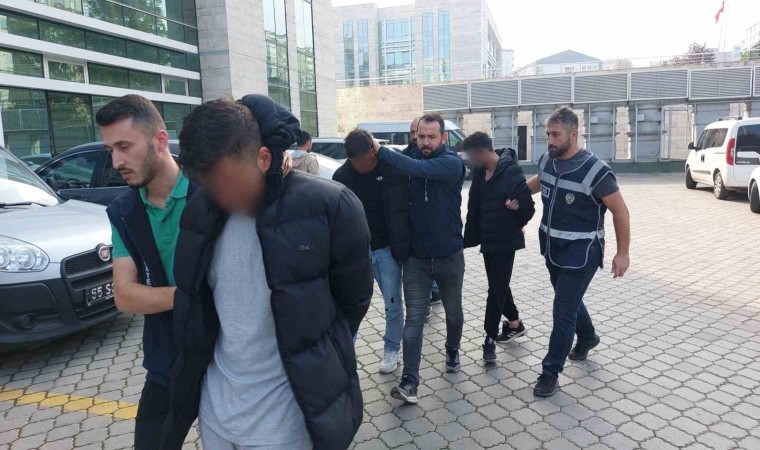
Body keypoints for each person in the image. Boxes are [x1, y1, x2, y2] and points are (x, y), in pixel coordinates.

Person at [160, 96, 373, 450]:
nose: (219, 196)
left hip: (285, 424)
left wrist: (314, 357)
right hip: (217, 415)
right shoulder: (202, 211)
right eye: (208, 184)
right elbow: (195, 305)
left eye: (227, 182)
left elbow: (353, 303)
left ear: (263, 158)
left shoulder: (332, 206)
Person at [98, 95, 193, 450]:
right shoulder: (123, 211)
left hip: (225, 356)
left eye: (124, 146)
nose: (116, 162)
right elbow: (125, 295)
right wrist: (192, 297)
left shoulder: (209, 192)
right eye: (110, 150)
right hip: (167, 357)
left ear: (160, 140)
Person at [521, 106, 630, 398]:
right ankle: (588, 337)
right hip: (552, 249)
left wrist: (623, 253)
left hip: (582, 254)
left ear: (573, 134)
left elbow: (620, 211)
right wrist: (518, 195)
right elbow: (539, 180)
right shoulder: (548, 160)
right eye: (547, 134)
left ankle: (550, 372)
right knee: (568, 301)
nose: (550, 140)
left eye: (555, 135)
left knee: (562, 311)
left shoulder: (595, 171)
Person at [375, 113, 466, 404]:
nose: (425, 142)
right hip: (416, 259)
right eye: (420, 136)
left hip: (449, 256)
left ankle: (452, 349)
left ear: (443, 138)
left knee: (453, 313)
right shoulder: (411, 155)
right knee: (414, 319)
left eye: (431, 137)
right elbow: (401, 165)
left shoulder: (451, 163)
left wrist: (379, 149)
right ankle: (409, 382)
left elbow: (414, 167)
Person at [333, 129, 411, 374]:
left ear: (372, 150)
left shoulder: (392, 170)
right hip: (356, 253)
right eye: (353, 160)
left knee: (393, 303)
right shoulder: (342, 176)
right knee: (350, 304)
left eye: (361, 159)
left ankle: (392, 348)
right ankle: (346, 351)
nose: (358, 165)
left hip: (387, 249)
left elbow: (404, 209)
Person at [463, 132, 536, 363]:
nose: (470, 161)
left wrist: (516, 212)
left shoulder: (511, 171)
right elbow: (474, 204)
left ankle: (489, 338)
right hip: (487, 239)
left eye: (471, 156)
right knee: (499, 285)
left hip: (505, 240)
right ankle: (514, 323)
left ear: (482, 152)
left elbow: (529, 208)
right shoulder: (479, 171)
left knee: (495, 289)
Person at [404, 118, 441, 308]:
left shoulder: (443, 159)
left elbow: (417, 169)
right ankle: (426, 300)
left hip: (440, 238)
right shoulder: (407, 154)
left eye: (430, 136)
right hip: (414, 235)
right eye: (415, 134)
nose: (415, 138)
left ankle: (434, 291)